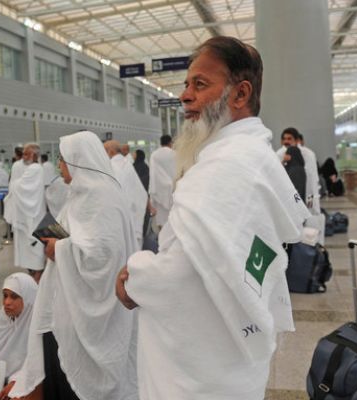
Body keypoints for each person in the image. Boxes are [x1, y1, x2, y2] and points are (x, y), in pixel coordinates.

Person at [116, 36, 310, 400]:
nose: (185, 95)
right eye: (186, 84)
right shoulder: (252, 155)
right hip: (229, 361)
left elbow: (178, 275)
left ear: (240, 94)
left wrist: (135, 274)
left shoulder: (223, 168)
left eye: (200, 84)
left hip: (199, 371)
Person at [8, 131, 138, 400]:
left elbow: (105, 254)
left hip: (95, 307)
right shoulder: (80, 193)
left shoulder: (102, 195)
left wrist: (61, 248)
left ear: (79, 160)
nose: (59, 166)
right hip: (67, 300)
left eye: (63, 160)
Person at [0, 273, 39, 379]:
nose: (7, 302)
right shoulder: (2, 319)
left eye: (14, 297)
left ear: (28, 299)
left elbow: (36, 367)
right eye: (5, 296)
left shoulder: (38, 325)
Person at [4, 143, 46, 277]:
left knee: (34, 243)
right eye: (23, 153)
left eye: (27, 154)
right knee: (26, 245)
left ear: (34, 155)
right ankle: (32, 270)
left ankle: (37, 271)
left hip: (33, 214)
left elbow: (23, 186)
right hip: (24, 213)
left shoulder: (35, 168)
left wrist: (14, 185)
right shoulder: (24, 167)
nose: (23, 157)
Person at [104, 139, 147, 247]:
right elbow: (141, 192)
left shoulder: (112, 166)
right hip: (133, 215)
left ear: (111, 152)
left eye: (104, 151)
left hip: (120, 220)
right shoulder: (126, 163)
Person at [148, 135, 176, 229]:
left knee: (161, 218)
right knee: (173, 218)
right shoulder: (174, 153)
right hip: (173, 189)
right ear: (170, 143)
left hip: (158, 190)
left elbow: (153, 173)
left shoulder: (154, 155)